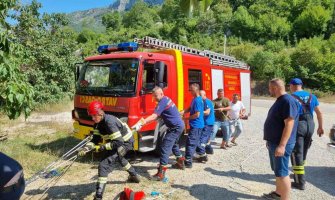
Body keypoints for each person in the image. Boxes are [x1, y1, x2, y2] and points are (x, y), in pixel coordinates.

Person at [79, 100, 140, 200]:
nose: (92, 118)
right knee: (120, 158)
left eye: (94, 115)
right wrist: (86, 148)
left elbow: (119, 142)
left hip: (126, 142)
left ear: (100, 113)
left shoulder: (109, 122)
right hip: (119, 141)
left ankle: (98, 196)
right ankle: (134, 176)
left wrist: (101, 147)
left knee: (104, 165)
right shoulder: (98, 124)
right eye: (91, 116)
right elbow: (95, 139)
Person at [132, 87, 185, 181]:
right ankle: (180, 162)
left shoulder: (163, 101)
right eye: (153, 96)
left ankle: (161, 173)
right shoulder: (165, 99)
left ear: (161, 93)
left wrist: (141, 123)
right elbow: (157, 117)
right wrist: (142, 125)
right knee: (173, 144)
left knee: (165, 146)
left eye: (156, 96)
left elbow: (154, 116)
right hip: (177, 125)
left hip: (175, 127)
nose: (154, 98)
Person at [262, 78, 299, 200]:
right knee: (278, 171)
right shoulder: (280, 100)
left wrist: (282, 145)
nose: (269, 90)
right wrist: (269, 140)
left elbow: (289, 123)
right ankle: (278, 194)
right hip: (274, 143)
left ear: (275, 88)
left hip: (281, 144)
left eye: (270, 88)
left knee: (283, 173)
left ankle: (285, 198)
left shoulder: (287, 101)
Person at [289, 78, 324, 190]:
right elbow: (319, 112)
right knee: (304, 150)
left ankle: (300, 182)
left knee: (296, 153)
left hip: (299, 125)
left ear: (291, 86)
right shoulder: (312, 96)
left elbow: (287, 116)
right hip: (310, 125)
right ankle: (299, 174)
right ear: (301, 85)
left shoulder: (291, 97)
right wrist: (320, 127)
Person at [180, 83, 204, 168]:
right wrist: (184, 111)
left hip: (196, 125)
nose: (190, 91)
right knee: (195, 141)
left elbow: (197, 114)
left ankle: (188, 162)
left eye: (191, 89)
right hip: (197, 125)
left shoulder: (197, 100)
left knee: (190, 143)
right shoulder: (195, 98)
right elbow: (190, 107)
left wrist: (186, 119)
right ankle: (203, 155)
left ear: (196, 90)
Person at [195, 90, 215, 159]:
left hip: (208, 123)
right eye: (199, 95)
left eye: (201, 95)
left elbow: (207, 112)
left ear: (205, 95)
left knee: (203, 139)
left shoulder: (207, 101)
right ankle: (209, 150)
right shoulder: (202, 101)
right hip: (205, 122)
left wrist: (197, 112)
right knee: (206, 138)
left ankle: (202, 154)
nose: (199, 96)